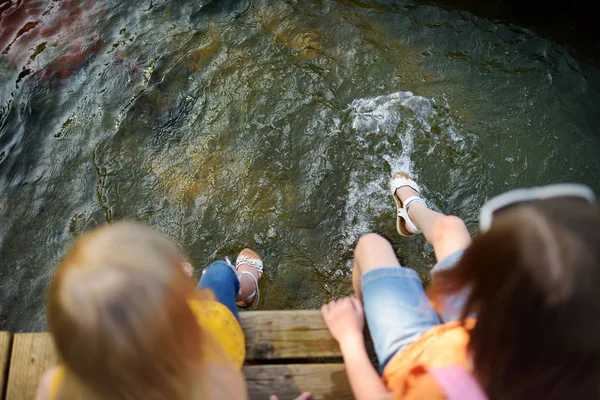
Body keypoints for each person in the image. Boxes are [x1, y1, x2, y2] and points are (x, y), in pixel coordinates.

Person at [321, 172, 600, 400]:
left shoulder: (439, 391)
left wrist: (350, 339)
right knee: (450, 228)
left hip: (417, 358)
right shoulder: (574, 366)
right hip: (479, 335)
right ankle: (410, 209)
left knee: (371, 245)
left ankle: (371, 326)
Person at [35, 221, 311, 400]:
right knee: (217, 275)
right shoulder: (217, 384)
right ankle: (246, 286)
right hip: (209, 349)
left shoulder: (56, 389)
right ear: (187, 328)